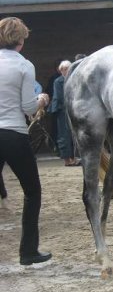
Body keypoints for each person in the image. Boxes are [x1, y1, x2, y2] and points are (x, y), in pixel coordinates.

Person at [0, 16, 52, 265]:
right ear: (20, 40)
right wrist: (41, 99)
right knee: (32, 191)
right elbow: (27, 106)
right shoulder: (24, 66)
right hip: (13, 132)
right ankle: (28, 251)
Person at [49, 60, 79, 166]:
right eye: (63, 69)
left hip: (73, 109)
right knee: (64, 135)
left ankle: (75, 158)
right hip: (62, 110)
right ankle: (67, 159)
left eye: (67, 69)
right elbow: (58, 97)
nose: (65, 71)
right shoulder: (58, 81)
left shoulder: (75, 79)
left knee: (75, 135)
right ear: (60, 70)